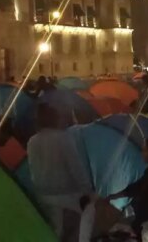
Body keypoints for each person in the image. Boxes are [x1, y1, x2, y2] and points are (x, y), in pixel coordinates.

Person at [27, 103, 92, 241]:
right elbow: (75, 167)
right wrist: (87, 190)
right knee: (90, 209)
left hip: (42, 193)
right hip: (65, 193)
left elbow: (33, 169)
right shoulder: (64, 138)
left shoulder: (32, 141)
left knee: (55, 227)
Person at [106, 138, 148, 240]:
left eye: (145, 150)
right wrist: (115, 196)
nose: (142, 153)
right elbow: (137, 186)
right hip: (145, 218)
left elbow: (145, 191)